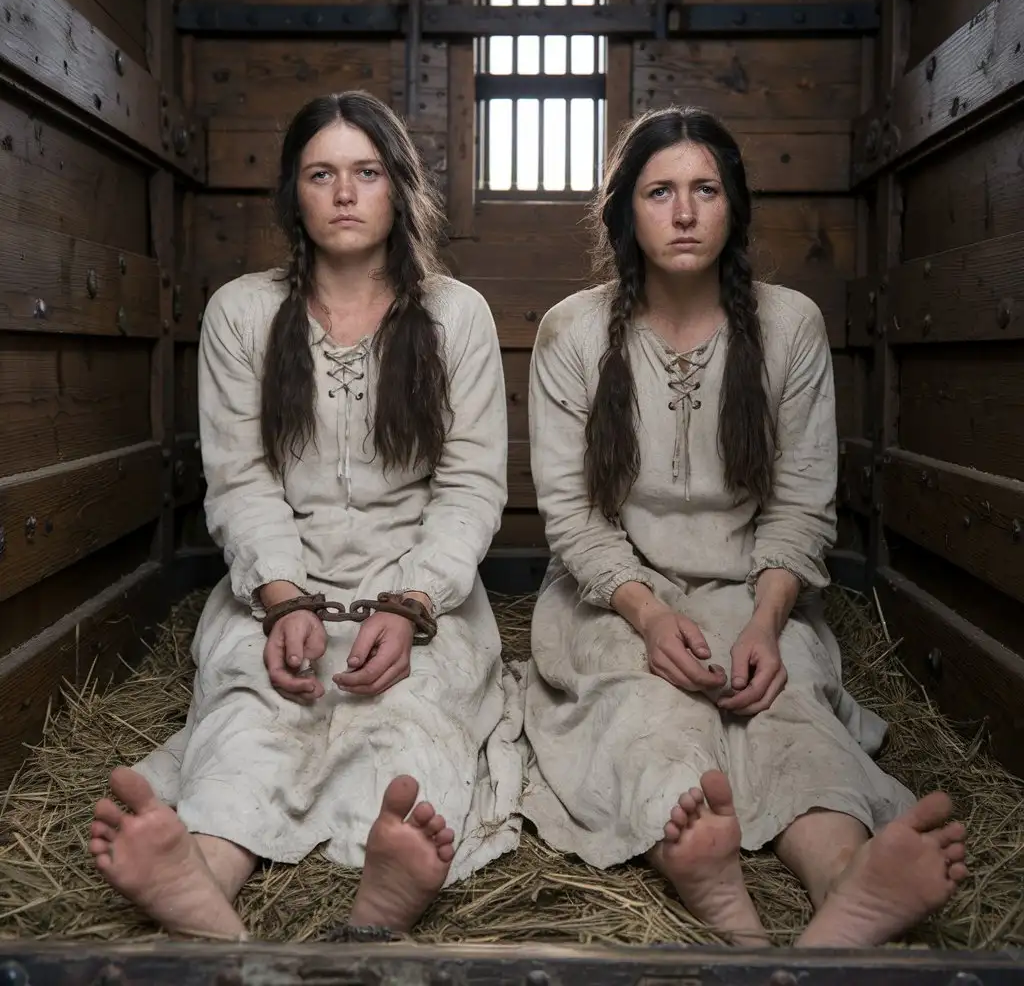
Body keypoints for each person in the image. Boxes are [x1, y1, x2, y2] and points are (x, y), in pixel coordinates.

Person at [522, 105, 968, 948]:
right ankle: (714, 883)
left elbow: (802, 503)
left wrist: (767, 620)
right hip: (617, 598)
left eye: (705, 190)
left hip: (755, 589)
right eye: (660, 192)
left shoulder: (789, 324)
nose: (684, 212)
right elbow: (574, 519)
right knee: (647, 709)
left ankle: (847, 882)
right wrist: (650, 616)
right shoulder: (572, 333)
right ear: (626, 212)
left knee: (789, 699)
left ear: (734, 208)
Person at [88, 90, 524, 941]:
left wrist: (410, 607)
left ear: (398, 187)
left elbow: (471, 488)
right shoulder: (242, 314)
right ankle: (200, 877)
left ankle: (383, 897)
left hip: (419, 596)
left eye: (366, 172)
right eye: (321, 175)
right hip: (280, 583)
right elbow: (240, 480)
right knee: (256, 712)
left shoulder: (455, 315)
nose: (346, 193)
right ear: (294, 195)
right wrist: (283, 601)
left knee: (409, 721)